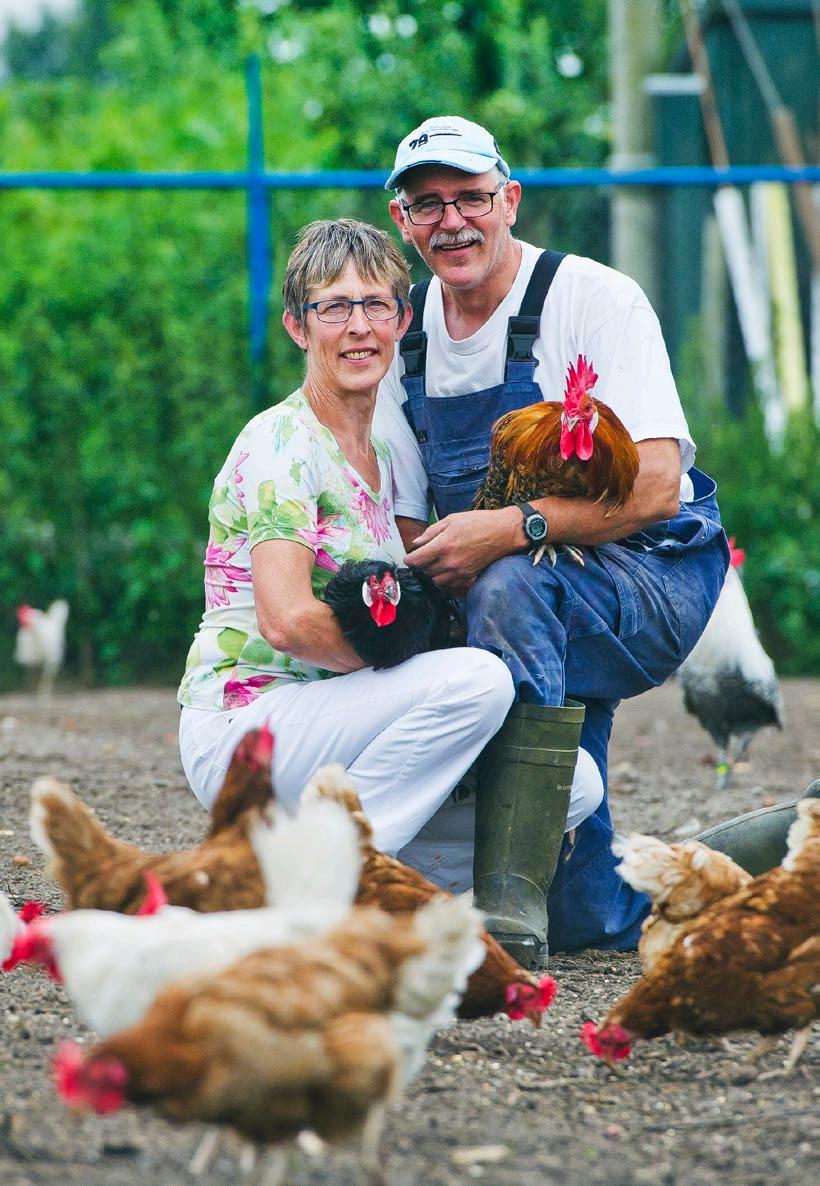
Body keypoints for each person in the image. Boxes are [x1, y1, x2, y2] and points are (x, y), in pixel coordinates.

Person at [373, 115, 790, 967]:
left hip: (649, 570)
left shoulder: (594, 298)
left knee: (513, 584)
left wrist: (511, 529)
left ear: (510, 201)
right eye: (428, 205)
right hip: (517, 595)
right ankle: (781, 844)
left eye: (471, 198)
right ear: (401, 221)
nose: (452, 221)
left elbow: (657, 483)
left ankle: (507, 898)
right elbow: (409, 516)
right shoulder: (400, 334)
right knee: (586, 910)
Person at [177, 218, 516, 854]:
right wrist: (410, 657)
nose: (359, 326)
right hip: (248, 728)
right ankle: (328, 870)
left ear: (401, 320)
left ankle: (351, 872)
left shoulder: (384, 454)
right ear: (297, 327)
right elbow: (286, 622)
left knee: (564, 788)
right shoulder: (283, 442)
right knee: (477, 683)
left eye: (375, 305)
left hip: (339, 722)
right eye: (334, 307)